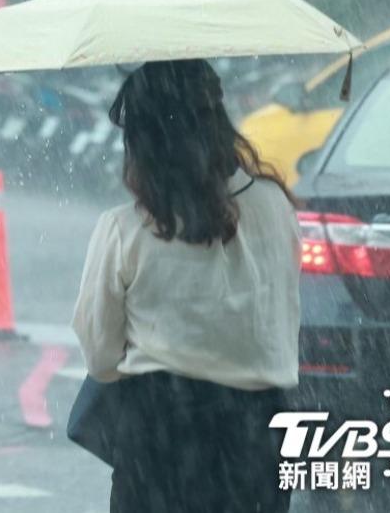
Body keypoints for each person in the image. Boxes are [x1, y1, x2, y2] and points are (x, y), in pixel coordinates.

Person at [72, 60, 300, 512]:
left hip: (160, 439)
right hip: (260, 436)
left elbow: (100, 357)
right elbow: (281, 320)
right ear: (218, 122)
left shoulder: (126, 229)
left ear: (142, 143)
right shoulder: (276, 207)